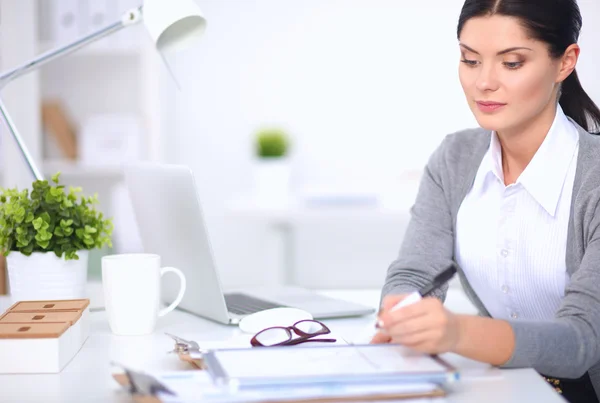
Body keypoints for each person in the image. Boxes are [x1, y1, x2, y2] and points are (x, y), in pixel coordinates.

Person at [372, 0, 600, 402]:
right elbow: (414, 272)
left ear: (565, 62)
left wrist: (456, 332)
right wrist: (401, 309)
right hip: (505, 387)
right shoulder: (455, 158)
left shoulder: (593, 178)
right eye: (470, 60)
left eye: (511, 63)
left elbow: (580, 342)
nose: (484, 83)